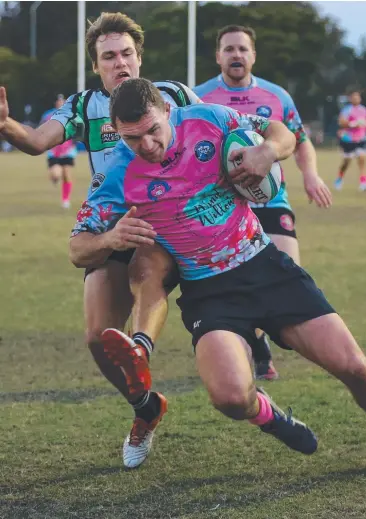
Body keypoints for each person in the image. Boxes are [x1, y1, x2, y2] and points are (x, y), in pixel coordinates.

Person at [73, 78, 366, 477]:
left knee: (355, 367)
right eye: (132, 138)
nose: (146, 145)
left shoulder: (209, 119)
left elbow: (282, 133)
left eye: (152, 131)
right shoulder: (117, 173)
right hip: (208, 293)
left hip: (264, 268)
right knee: (230, 398)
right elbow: (78, 248)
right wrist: (109, 237)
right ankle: (269, 415)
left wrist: (266, 152)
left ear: (166, 111)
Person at [0, 12, 201, 469]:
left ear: (139, 57)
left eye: (127, 54)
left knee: (148, 273)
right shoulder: (82, 106)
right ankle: (146, 409)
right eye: (109, 56)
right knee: (95, 337)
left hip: (164, 219)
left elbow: (210, 132)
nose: (120, 63)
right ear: (96, 65)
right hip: (108, 223)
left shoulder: (171, 96)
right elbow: (35, 140)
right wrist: (6, 126)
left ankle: (142, 346)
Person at [194, 25, 332, 381]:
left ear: (253, 55)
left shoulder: (277, 97)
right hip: (225, 206)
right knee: (237, 281)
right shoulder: (199, 98)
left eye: (242, 48)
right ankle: (256, 346)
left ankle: (265, 338)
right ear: (218, 56)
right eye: (228, 49)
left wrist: (311, 175)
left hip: (271, 198)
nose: (236, 55)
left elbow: (300, 141)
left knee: (287, 275)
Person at [40, 94, 77, 208]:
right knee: (56, 174)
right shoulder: (48, 115)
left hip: (68, 150)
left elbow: (78, 130)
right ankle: (54, 179)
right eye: (59, 101)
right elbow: (41, 129)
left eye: (63, 101)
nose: (60, 103)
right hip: (53, 150)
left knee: (67, 174)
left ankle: (65, 199)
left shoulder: (73, 115)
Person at [334, 87, 366, 192]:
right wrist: (353, 124)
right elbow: (341, 122)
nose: (356, 99)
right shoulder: (347, 110)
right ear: (350, 99)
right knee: (346, 162)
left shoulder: (364, 109)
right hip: (349, 139)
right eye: (354, 97)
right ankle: (339, 179)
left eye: (358, 97)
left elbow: (365, 121)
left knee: (362, 158)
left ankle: (363, 182)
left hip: (361, 139)